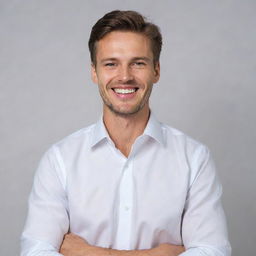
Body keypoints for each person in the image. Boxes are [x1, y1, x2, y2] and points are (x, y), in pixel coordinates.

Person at [21, 10, 231, 256]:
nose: (124, 76)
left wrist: (89, 253)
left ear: (156, 70)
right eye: (111, 64)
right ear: (94, 72)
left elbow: (212, 251)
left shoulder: (194, 159)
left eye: (138, 63)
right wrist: (159, 254)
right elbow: (35, 251)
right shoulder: (60, 160)